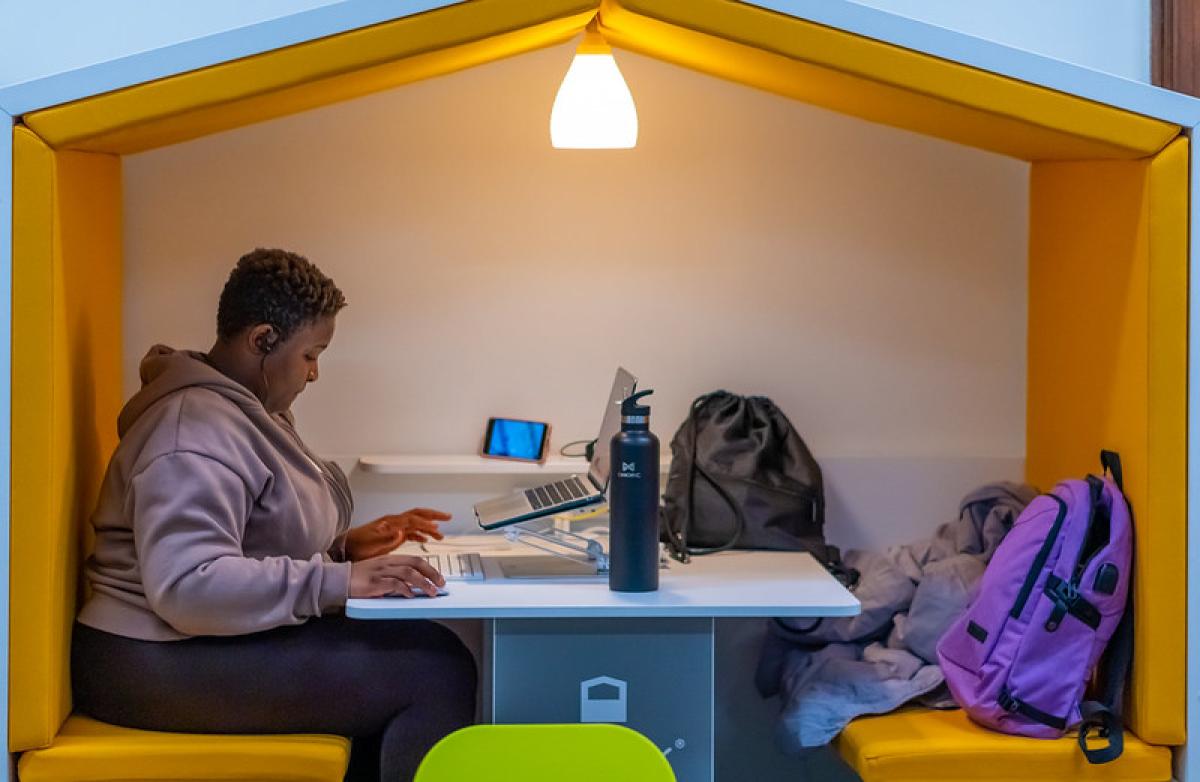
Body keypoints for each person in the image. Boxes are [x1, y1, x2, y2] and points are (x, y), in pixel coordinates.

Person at [71, 248, 477, 782]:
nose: (314, 374)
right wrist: (338, 581)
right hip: (149, 661)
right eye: (311, 354)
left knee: (425, 648)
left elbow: (246, 538)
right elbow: (190, 586)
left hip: (189, 644)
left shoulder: (245, 410)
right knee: (434, 671)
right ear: (262, 340)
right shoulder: (191, 429)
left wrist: (345, 548)